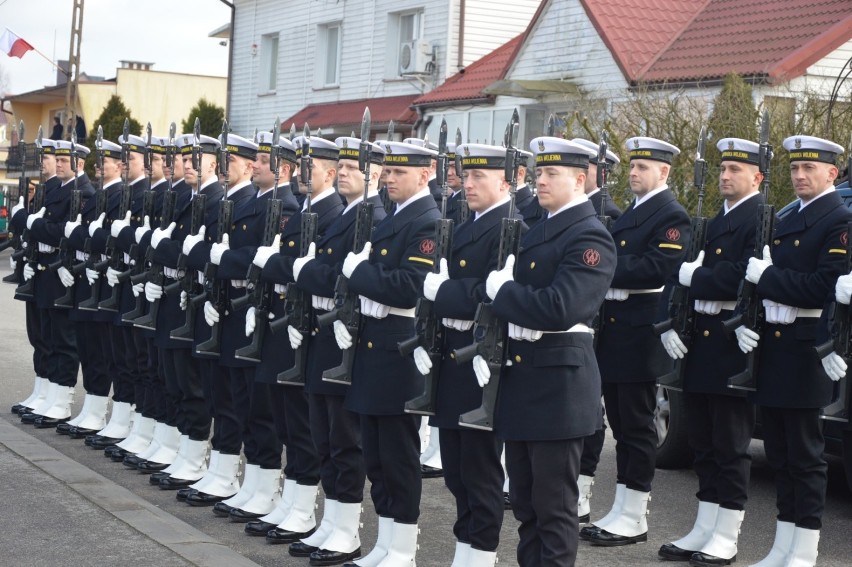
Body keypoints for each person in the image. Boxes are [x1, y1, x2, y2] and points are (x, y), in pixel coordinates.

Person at [471, 136, 615, 566]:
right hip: (523, 380)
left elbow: (560, 308)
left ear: (579, 179)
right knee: (528, 506)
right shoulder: (542, 230)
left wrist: (505, 292)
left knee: (553, 509)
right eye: (539, 173)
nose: (542, 181)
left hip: (559, 388)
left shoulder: (591, 237)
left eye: (553, 173)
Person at [737, 135, 850, 566]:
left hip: (807, 348)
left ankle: (803, 551)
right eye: (794, 169)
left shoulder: (838, 222)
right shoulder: (788, 220)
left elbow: (823, 288)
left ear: (831, 174)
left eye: (809, 169)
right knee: (781, 454)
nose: (799, 176)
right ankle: (782, 546)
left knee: (806, 456)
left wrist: (767, 278)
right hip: (778, 347)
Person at [657, 138, 763, 565]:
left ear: (756, 177)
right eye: (722, 168)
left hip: (731, 340)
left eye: (735, 169)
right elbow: (678, 276)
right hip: (700, 338)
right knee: (702, 441)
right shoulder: (714, 219)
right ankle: (705, 524)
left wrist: (694, 277)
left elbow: (743, 278)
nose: (724, 175)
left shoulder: (760, 220)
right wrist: (669, 320)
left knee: (730, 444)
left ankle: (728, 533)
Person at [416, 142, 522, 566]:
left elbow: (495, 292)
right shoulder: (463, 225)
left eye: (481, 176)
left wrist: (445, 292)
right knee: (457, 471)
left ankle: (481, 555)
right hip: (453, 357)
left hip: (483, 361)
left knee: (479, 471)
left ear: (506, 181)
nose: (469, 183)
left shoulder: (512, 229)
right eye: (468, 174)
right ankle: (465, 551)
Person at [335, 139, 440, 566]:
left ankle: (402, 549)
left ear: (424, 174)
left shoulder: (427, 222)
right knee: (376, 458)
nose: (389, 177)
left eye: (399, 172)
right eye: (387, 171)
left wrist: (359, 273)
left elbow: (406, 286)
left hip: (398, 350)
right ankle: (385, 541)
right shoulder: (393, 216)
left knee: (397, 457)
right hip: (375, 348)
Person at [283, 134, 386, 565]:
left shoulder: (374, 217)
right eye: (339, 168)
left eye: (350, 168)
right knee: (322, 436)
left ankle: (347, 528)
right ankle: (331, 520)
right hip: (325, 333)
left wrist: (306, 271)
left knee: (345, 441)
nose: (341, 174)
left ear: (374, 174)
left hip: (347, 335)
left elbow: (338, 279)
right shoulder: (345, 214)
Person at [583, 136, 690, 547]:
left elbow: (656, 268)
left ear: (663, 172)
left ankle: (635, 514)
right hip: (617, 330)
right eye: (632, 166)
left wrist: (606, 268)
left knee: (638, 427)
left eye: (642, 167)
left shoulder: (670, 214)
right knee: (624, 428)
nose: (633, 172)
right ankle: (622, 508)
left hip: (640, 333)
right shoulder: (637, 210)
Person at [248, 135, 344, 540]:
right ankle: (292, 500)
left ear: (329, 172)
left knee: (305, 426)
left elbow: (310, 271)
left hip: (310, 323)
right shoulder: (302, 208)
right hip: (289, 319)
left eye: (311, 166)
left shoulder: (331, 213)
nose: (303, 172)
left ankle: (304, 506)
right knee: (289, 419)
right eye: (300, 164)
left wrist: (280, 264)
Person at [570, 136, 622, 523]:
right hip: (581, 325)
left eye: (582, 167)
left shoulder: (608, 213)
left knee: (591, 414)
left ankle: (583, 491)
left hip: (600, 325)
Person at [12, 137, 80, 428]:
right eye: (55, 159)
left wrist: (28, 221)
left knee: (61, 339)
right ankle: (45, 391)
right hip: (41, 267)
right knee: (41, 336)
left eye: (58, 159)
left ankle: (61, 400)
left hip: (57, 269)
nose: (48, 162)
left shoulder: (78, 192)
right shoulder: (49, 190)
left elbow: (58, 233)